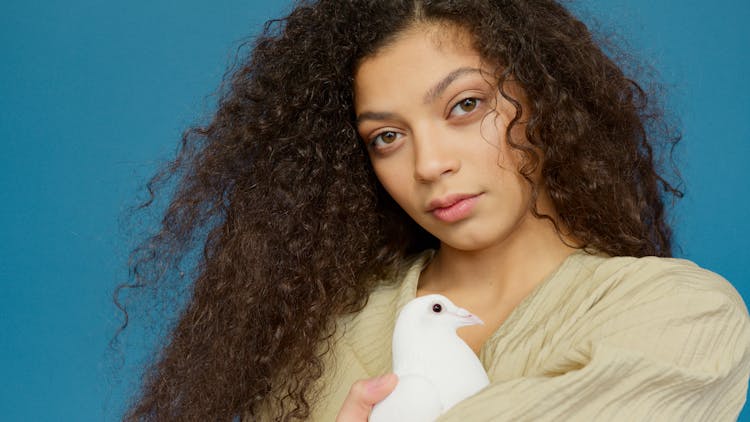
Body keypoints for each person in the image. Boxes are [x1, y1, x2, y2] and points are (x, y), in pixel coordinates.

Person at [118, 0, 750, 421]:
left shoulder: (682, 315)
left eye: (464, 105)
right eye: (386, 137)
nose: (427, 164)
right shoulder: (315, 339)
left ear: (547, 100)